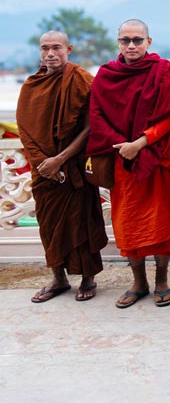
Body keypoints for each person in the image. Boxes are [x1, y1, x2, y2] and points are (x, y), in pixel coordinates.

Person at [88, 19, 170, 308]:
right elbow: (96, 116)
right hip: (122, 159)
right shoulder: (106, 75)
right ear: (118, 42)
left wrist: (141, 142)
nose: (131, 45)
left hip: (155, 156)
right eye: (125, 40)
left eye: (137, 40)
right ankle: (138, 282)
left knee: (160, 223)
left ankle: (161, 280)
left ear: (149, 42)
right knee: (128, 224)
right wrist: (123, 146)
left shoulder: (163, 72)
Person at [17, 31, 107, 302]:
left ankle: (87, 278)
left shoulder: (81, 80)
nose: (50, 53)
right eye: (45, 48)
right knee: (49, 224)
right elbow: (25, 128)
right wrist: (43, 163)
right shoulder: (32, 85)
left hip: (73, 167)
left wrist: (61, 159)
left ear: (69, 49)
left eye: (56, 47)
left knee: (82, 222)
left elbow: (92, 126)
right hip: (43, 169)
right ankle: (58, 278)